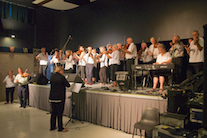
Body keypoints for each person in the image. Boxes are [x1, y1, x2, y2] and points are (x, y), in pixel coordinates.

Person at [49, 66, 70, 132]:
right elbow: (68, 85)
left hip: (52, 97)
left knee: (53, 112)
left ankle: (52, 126)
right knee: (60, 113)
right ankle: (60, 127)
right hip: (59, 97)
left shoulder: (52, 76)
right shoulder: (61, 77)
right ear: (60, 70)